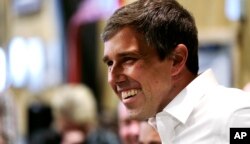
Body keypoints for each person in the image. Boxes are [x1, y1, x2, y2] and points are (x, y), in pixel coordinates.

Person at [101, 0, 250, 143]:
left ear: (176, 60)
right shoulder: (163, 124)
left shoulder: (235, 115)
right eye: (109, 63)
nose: (113, 78)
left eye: (128, 59)